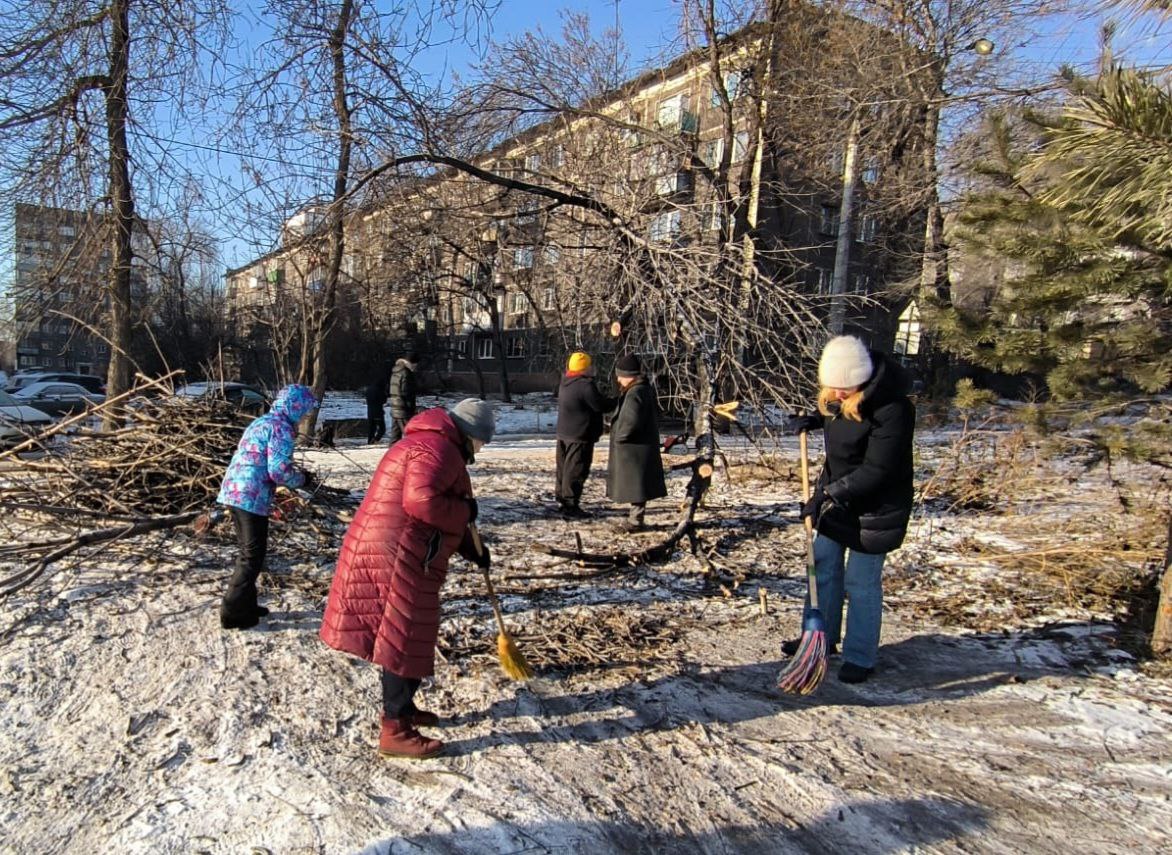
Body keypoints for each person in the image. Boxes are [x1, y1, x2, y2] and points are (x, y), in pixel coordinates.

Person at [319, 398, 495, 760]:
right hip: (395, 554)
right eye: (482, 441)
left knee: (409, 633)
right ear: (470, 433)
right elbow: (423, 503)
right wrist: (465, 511)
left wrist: (472, 547)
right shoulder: (439, 449)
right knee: (402, 638)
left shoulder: (430, 443)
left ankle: (404, 707)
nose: (481, 449)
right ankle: (395, 729)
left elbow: (436, 503)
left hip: (397, 549)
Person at [785, 335, 915, 684]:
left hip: (876, 509)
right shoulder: (836, 397)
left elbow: (877, 470)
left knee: (861, 582)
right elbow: (835, 415)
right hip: (837, 498)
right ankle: (818, 640)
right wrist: (814, 419)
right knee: (823, 567)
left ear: (861, 379)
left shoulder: (893, 409)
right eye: (832, 387)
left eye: (844, 388)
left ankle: (860, 655)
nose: (837, 394)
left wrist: (825, 495)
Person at [216, 383, 319, 630]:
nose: (305, 415)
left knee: (250, 553)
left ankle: (247, 605)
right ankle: (231, 612)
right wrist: (301, 479)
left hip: (235, 491)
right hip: (251, 496)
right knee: (252, 556)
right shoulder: (281, 428)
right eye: (304, 411)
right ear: (295, 408)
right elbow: (278, 471)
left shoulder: (262, 421)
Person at [606, 353, 666, 532]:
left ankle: (635, 522)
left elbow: (631, 420)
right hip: (636, 448)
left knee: (637, 486)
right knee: (637, 486)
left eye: (620, 375)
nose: (618, 379)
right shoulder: (640, 390)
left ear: (628, 375)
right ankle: (635, 519)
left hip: (633, 449)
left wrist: (620, 436)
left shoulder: (635, 393)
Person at [554, 351, 615, 518]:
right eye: (590, 365)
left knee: (564, 469)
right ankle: (570, 505)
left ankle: (562, 499)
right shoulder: (585, 386)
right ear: (585, 368)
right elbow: (600, 405)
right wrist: (617, 400)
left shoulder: (565, 382)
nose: (593, 368)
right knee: (576, 470)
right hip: (580, 434)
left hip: (564, 433)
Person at [388, 351, 420, 444]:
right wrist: (411, 408)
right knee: (410, 436)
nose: (416, 367)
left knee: (395, 438)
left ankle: (392, 456)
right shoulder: (406, 373)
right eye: (416, 364)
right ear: (412, 363)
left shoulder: (396, 370)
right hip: (403, 409)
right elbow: (406, 392)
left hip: (395, 407)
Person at [364, 364, 391, 444]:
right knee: (382, 429)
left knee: (371, 429)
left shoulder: (369, 389)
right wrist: (385, 395)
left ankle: (369, 441)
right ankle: (375, 440)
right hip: (378, 412)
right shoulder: (380, 390)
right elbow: (383, 401)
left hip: (370, 412)